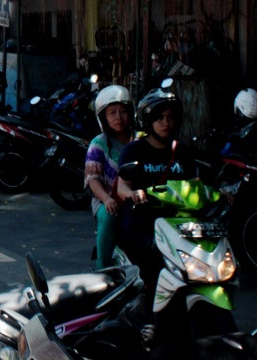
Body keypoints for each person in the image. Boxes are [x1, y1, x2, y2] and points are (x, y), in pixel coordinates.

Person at [116, 87, 199, 338]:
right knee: (156, 264)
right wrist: (133, 195)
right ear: (149, 121)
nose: (166, 123)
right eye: (160, 117)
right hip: (144, 223)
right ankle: (153, 320)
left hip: (180, 223)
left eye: (171, 117)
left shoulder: (183, 152)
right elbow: (122, 186)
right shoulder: (134, 151)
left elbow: (196, 185)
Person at [84, 85, 136, 270]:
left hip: (138, 196)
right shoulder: (98, 143)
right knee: (109, 216)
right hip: (106, 198)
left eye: (123, 111)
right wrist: (106, 199)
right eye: (112, 112)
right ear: (103, 118)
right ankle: (102, 268)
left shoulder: (140, 139)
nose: (118, 117)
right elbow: (93, 179)